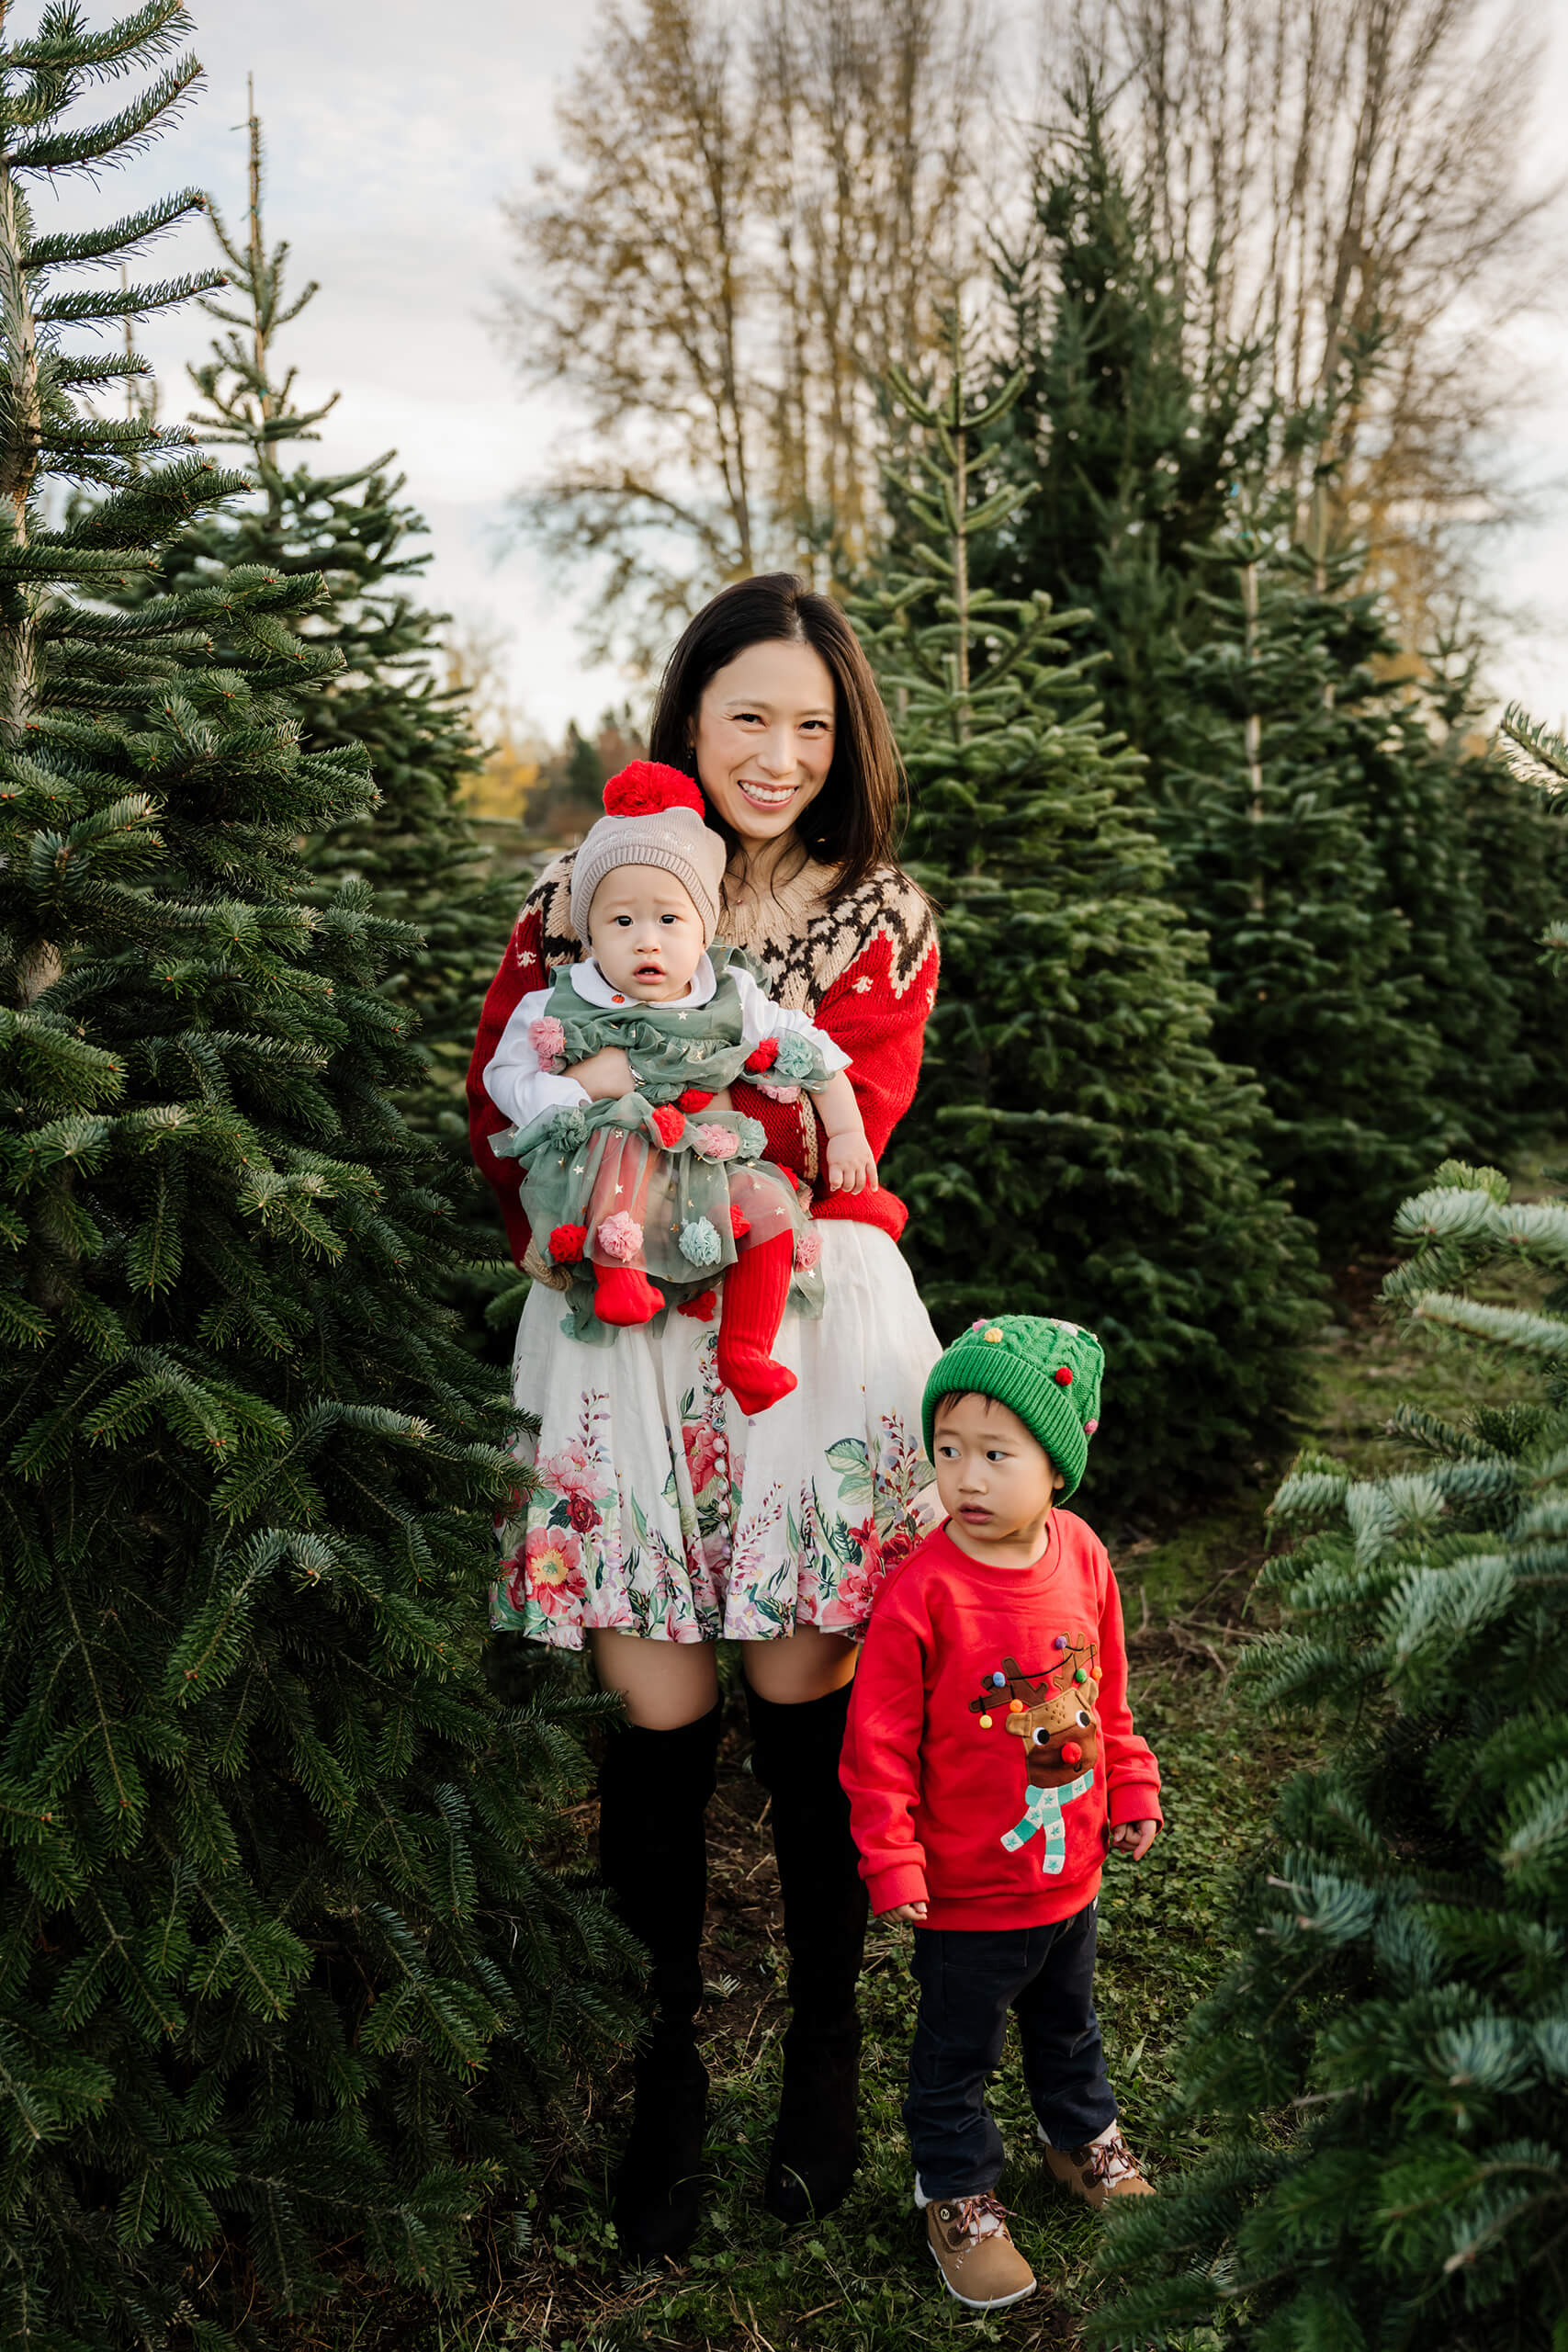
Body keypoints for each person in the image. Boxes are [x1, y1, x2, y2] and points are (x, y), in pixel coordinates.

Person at [466, 574, 942, 2261]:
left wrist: (635, 1087)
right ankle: (661, 2067)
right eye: (749, 714)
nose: (782, 753)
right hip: (618, 1345)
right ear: (688, 716)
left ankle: (824, 2051)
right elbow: (492, 1107)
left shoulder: (875, 913)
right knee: (654, 1711)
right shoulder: (568, 894)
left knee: (802, 1694)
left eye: (814, 725)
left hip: (796, 1324)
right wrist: (618, 1104)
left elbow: (838, 1129)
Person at [840, 1314, 1162, 2313]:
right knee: (956, 2052)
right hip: (969, 1891)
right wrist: (894, 1857)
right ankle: (959, 2192)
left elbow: (1106, 1696)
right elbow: (878, 1743)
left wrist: (1133, 1780)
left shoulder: (1083, 1557)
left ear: (1056, 1466)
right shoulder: (924, 1594)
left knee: (1070, 2026)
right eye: (947, 1451)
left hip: (1070, 1877)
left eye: (995, 1453)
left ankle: (1080, 2141)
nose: (965, 1477)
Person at [481, 759, 875, 1414]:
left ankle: (746, 1350)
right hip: (611, 1175)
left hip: (706, 1164)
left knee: (772, 1207)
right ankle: (619, 1272)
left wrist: (845, 1130)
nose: (647, 941)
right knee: (624, 1130)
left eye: (669, 920)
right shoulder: (565, 1000)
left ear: (704, 928)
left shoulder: (729, 992)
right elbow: (504, 1076)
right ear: (589, 932)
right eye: (621, 922)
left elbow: (810, 1051)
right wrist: (580, 1088)